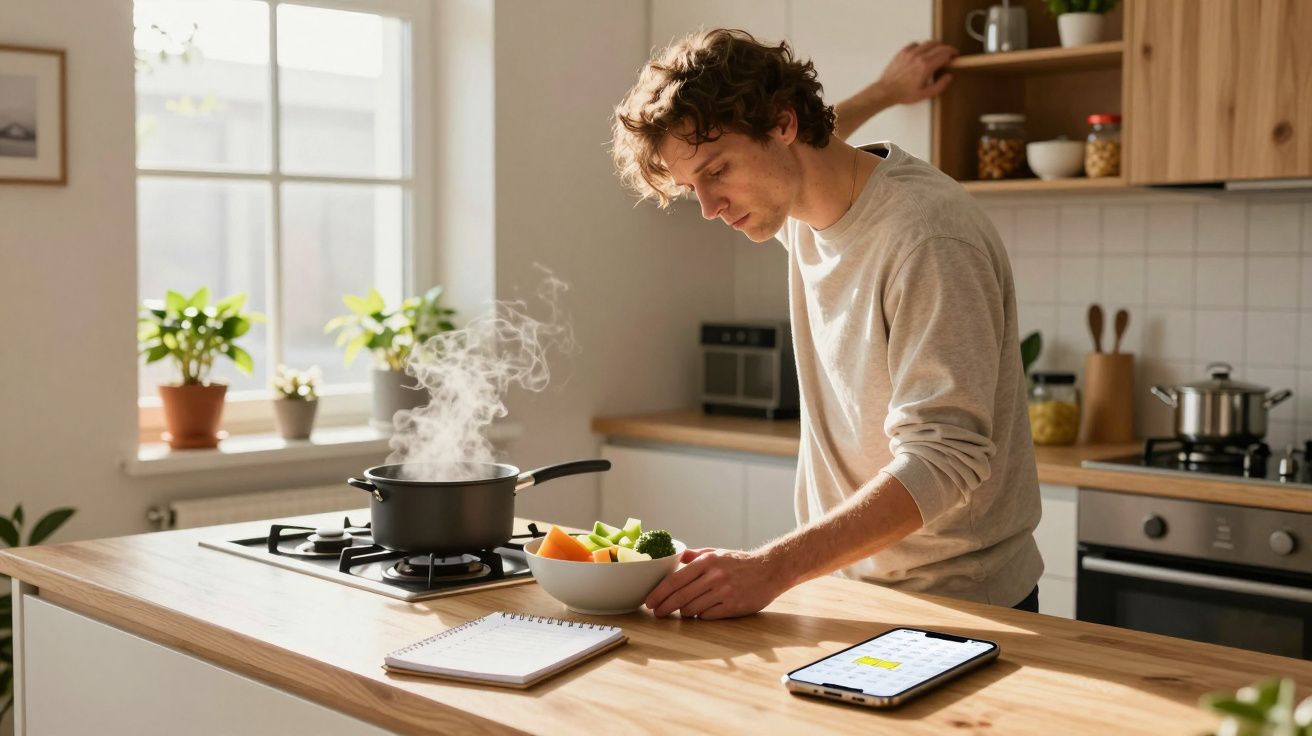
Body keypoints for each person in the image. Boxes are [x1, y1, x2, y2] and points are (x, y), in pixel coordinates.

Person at [610, 29, 1044, 620]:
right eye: (692, 187)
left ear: (783, 125)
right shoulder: (799, 202)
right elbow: (818, 134)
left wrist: (771, 568)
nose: (709, 208)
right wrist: (887, 90)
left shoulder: (927, 237)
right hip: (846, 588)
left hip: (957, 604)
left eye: (717, 171)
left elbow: (945, 457)